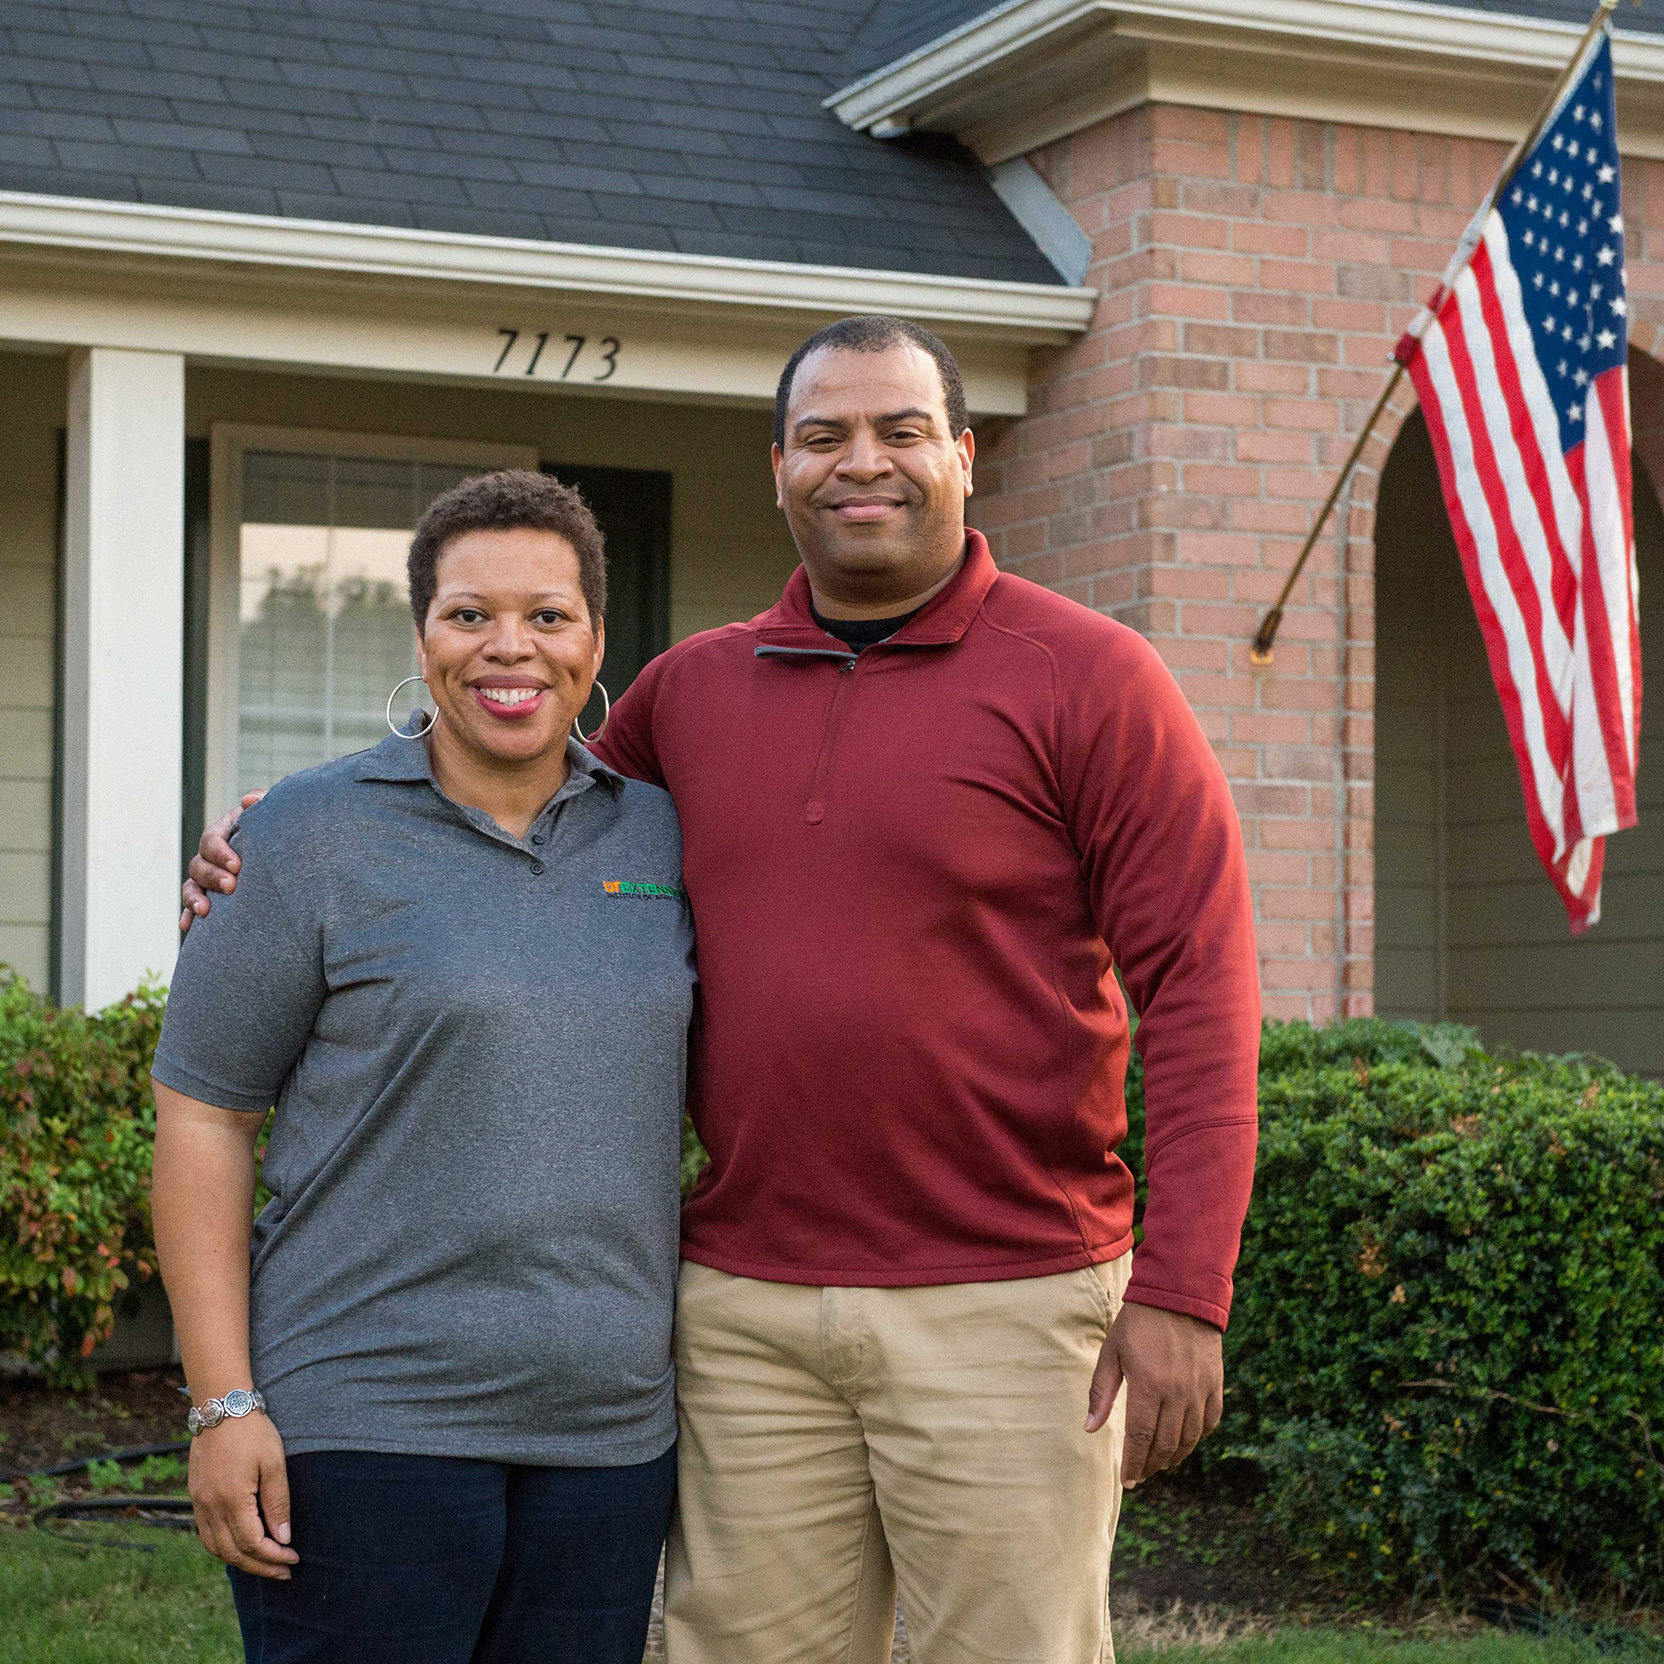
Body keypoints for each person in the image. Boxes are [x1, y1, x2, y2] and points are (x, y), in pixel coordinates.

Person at [186, 316, 1260, 1664]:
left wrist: (1186, 1290)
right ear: (778, 469)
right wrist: (286, 834)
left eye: (900, 430)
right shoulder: (690, 694)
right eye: (823, 437)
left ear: (966, 457)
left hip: (1009, 1299)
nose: (860, 462)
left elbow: (1204, 991)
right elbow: (520, 785)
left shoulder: (1094, 682)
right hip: (743, 1312)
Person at [155, 471, 695, 1664]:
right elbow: (203, 1114)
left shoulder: (663, 835)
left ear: (597, 638)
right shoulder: (301, 835)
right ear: (422, 633)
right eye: (469, 613)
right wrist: (222, 1402)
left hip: (606, 1435)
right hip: (362, 1419)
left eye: (549, 615)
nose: (510, 647)